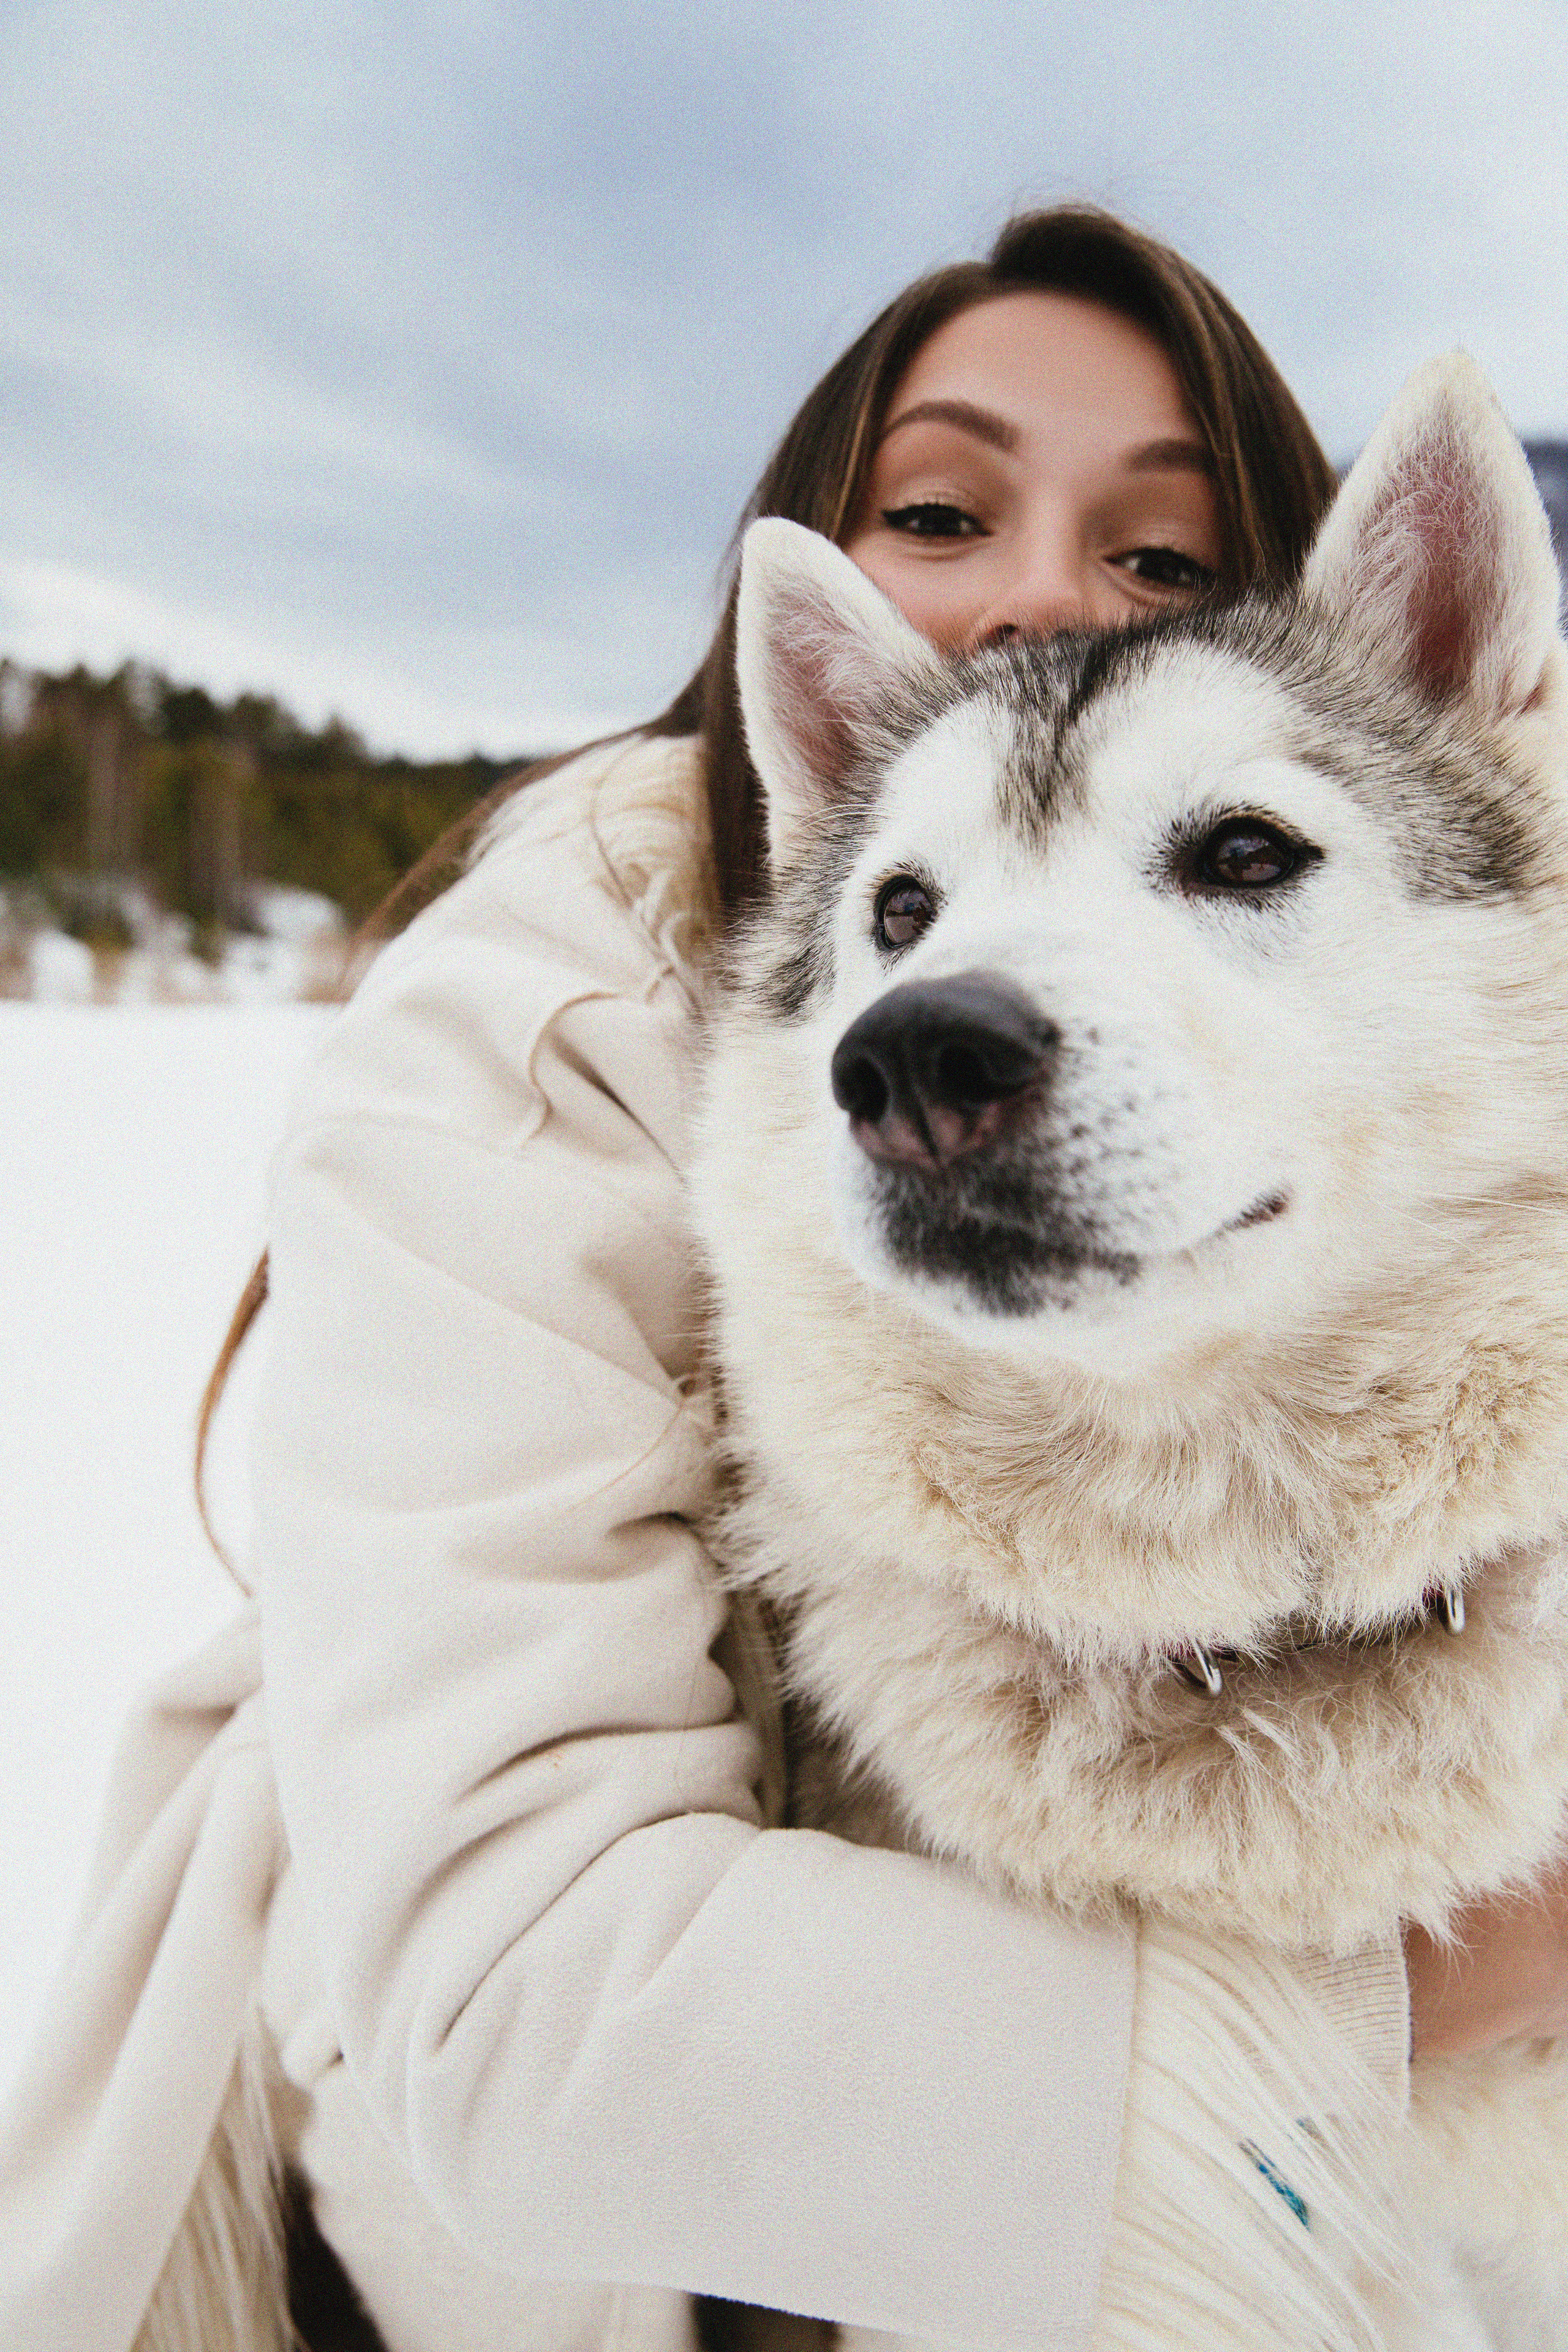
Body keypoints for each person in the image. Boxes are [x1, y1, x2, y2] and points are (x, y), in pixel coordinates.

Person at [3, 204, 1567, 2352]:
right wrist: (1481, 1960)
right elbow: (525, 2000)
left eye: (1168, 567)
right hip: (504, 2233)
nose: (1037, 597)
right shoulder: (531, 1031)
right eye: (938, 511)